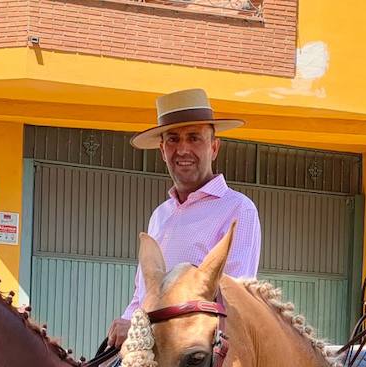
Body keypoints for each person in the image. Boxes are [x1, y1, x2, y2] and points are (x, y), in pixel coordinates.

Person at [106, 88, 262, 347]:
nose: (183, 149)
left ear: (214, 147)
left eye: (194, 138)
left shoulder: (238, 209)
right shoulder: (160, 214)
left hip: (196, 359)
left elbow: (231, 302)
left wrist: (143, 327)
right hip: (145, 345)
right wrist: (123, 326)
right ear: (162, 150)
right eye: (173, 139)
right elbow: (143, 293)